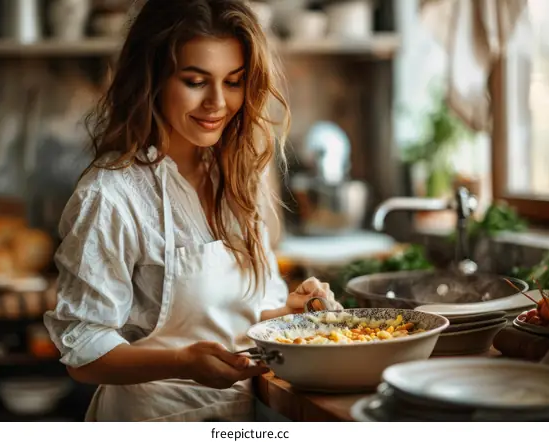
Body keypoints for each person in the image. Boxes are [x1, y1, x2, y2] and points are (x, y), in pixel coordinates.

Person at [43, 0, 341, 422]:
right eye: (196, 81)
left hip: (240, 417)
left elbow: (225, 319)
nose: (217, 102)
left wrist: (288, 313)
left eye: (234, 81)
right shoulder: (112, 195)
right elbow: (82, 350)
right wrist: (182, 362)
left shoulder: (239, 176)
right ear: (152, 79)